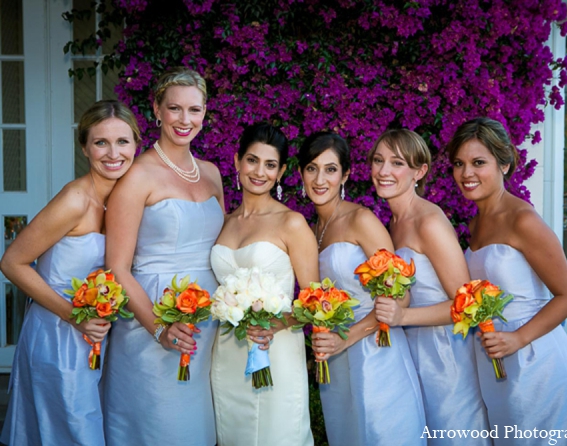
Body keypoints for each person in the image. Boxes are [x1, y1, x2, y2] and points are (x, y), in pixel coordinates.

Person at [449, 117, 567, 445]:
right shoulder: (473, 226)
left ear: (505, 163)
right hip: (495, 362)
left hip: (536, 361)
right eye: (459, 164)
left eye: (478, 163)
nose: (466, 173)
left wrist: (517, 339)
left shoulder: (523, 220)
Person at [0, 100, 139, 445]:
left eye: (123, 141)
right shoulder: (75, 200)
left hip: (97, 337)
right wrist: (74, 316)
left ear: (137, 144)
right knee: (73, 430)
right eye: (100, 142)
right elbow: (11, 262)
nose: (113, 153)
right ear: (84, 148)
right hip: (57, 336)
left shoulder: (126, 201)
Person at [102, 67, 225, 445]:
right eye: (174, 109)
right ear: (156, 110)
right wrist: (157, 328)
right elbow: (117, 267)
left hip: (205, 324)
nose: (184, 120)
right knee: (157, 426)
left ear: (205, 113)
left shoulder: (212, 173)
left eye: (195, 110)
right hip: (149, 321)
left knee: (196, 426)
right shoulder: (137, 176)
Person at [300, 131, 426, 446]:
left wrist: (345, 338)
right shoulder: (311, 229)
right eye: (312, 168)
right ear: (301, 173)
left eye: (330, 169)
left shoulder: (361, 219)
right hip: (335, 357)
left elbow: (402, 295)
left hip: (376, 352)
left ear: (346, 174)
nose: (319, 178)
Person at [369, 129, 491, 444]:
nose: (384, 171)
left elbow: (470, 304)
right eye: (378, 160)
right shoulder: (392, 223)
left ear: (419, 172)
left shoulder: (429, 222)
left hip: (445, 358)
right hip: (412, 353)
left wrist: (403, 317)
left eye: (397, 163)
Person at [210, 122, 316, 446]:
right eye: (252, 160)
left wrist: (274, 324)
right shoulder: (223, 222)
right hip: (226, 354)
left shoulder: (291, 223)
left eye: (270, 165)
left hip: (275, 350)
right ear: (237, 160)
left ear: (282, 171)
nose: (259, 172)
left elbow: (317, 303)